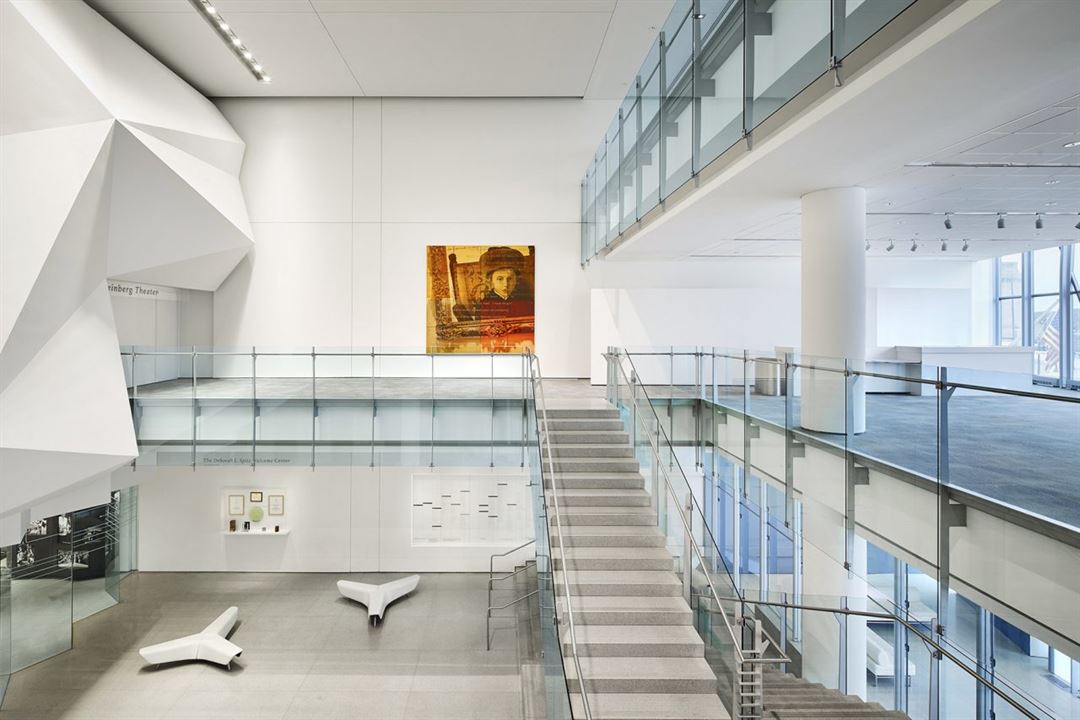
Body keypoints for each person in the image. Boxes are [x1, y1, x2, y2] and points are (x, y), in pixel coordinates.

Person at [475, 247, 533, 321]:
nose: (506, 284)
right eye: (500, 279)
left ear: (516, 279)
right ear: (490, 280)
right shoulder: (483, 306)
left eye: (510, 279)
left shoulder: (527, 302)